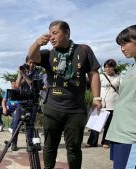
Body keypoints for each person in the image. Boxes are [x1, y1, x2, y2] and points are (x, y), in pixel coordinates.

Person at [28, 20, 102, 169]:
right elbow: (32, 56)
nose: (52, 37)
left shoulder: (84, 49)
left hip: (76, 109)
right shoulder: (48, 53)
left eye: (55, 33)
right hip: (52, 108)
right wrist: (37, 43)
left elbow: (94, 74)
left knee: (74, 148)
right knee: (49, 147)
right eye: (50, 34)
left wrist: (96, 98)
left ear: (67, 32)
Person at [106, 25, 136, 169]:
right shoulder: (132, 68)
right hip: (120, 133)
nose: (122, 48)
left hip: (131, 136)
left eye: (125, 43)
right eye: (120, 45)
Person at [11, 56, 43, 151]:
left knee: (29, 124)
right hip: (22, 102)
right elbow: (16, 87)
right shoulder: (24, 71)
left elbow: (33, 86)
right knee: (16, 123)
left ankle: (29, 143)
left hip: (32, 102)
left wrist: (24, 75)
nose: (31, 64)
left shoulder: (38, 72)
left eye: (33, 62)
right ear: (26, 62)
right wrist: (20, 75)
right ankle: (13, 143)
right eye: (29, 62)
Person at [87, 59, 121, 148]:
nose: (107, 69)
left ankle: (106, 142)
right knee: (96, 124)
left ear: (114, 67)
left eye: (110, 67)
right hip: (101, 105)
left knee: (109, 126)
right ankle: (92, 142)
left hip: (113, 105)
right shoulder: (100, 76)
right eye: (106, 67)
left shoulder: (119, 78)